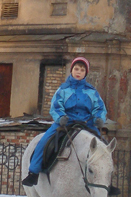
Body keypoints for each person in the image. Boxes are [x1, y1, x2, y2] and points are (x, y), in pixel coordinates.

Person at [22, 57, 107, 186]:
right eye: (76, 69)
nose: (79, 72)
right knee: (44, 141)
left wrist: (99, 119)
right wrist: (61, 117)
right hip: (65, 122)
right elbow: (56, 106)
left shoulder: (92, 91)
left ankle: (107, 182)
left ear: (86, 73)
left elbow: (99, 108)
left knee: (104, 147)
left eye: (82, 70)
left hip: (87, 124)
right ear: (71, 70)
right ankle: (33, 173)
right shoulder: (63, 89)